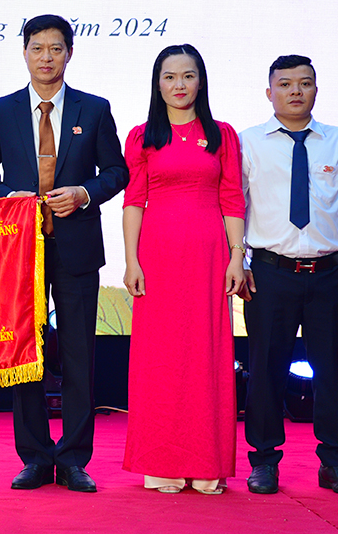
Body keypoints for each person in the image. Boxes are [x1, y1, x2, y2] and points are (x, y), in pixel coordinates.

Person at [0, 14, 128, 493]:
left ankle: (76, 458)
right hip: (20, 251)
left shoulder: (94, 109)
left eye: (55, 49)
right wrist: (8, 197)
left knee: (80, 356)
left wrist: (83, 193)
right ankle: (36, 458)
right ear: (24, 52)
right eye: (37, 48)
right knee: (27, 357)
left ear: (69, 54)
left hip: (77, 247)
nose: (46, 58)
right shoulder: (1, 110)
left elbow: (117, 172)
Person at [240, 54, 338, 497]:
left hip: (328, 274)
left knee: (332, 370)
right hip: (268, 272)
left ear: (316, 90)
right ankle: (263, 461)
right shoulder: (248, 143)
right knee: (265, 370)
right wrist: (235, 261)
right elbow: (233, 208)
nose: (295, 91)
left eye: (304, 83)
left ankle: (336, 462)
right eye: (285, 84)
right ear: (269, 93)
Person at [120, 44, 246, 494]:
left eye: (188, 76)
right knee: (161, 357)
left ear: (201, 81)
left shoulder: (223, 135)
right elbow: (134, 200)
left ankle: (207, 463)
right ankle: (163, 463)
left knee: (206, 353)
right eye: (170, 77)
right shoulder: (142, 136)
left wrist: (237, 255)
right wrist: (131, 259)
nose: (179, 85)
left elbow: (232, 198)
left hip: (210, 255)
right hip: (157, 255)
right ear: (158, 83)